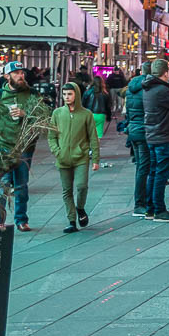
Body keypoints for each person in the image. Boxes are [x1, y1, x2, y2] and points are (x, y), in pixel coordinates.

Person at [0, 61, 46, 232]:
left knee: (21, 186)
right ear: (7, 76)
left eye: (22, 72)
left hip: (24, 147)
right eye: (16, 73)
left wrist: (26, 114)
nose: (21, 76)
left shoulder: (32, 93)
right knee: (1, 185)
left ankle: (21, 220)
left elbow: (43, 116)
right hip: (2, 146)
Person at [48, 82, 100, 234]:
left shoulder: (86, 114)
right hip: (63, 159)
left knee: (81, 186)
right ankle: (71, 220)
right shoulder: (57, 113)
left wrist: (95, 159)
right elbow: (52, 136)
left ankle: (80, 208)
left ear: (76, 95)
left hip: (80, 158)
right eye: (64, 94)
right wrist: (57, 151)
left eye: (69, 94)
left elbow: (93, 137)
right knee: (67, 191)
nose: (67, 97)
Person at [140, 59, 169, 222]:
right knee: (161, 174)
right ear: (165, 72)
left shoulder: (148, 88)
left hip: (153, 135)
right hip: (164, 136)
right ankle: (159, 210)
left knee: (154, 172)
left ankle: (150, 209)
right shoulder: (161, 90)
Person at [125, 65, 151, 216]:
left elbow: (129, 110)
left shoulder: (131, 87)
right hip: (144, 130)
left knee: (140, 167)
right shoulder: (148, 88)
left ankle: (141, 201)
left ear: (141, 72)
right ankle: (140, 204)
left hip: (133, 129)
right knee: (143, 167)